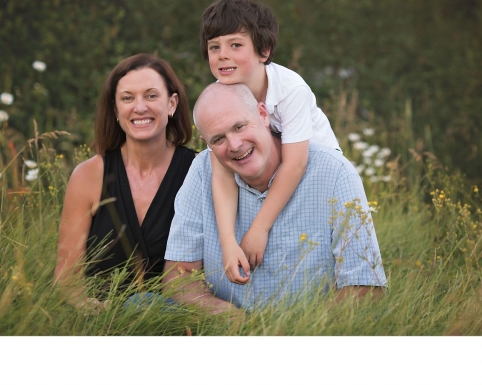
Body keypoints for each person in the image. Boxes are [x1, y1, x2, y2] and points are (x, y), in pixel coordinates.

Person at [162, 83, 386, 313]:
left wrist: (298, 329)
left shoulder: (335, 172)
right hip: (227, 328)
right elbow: (177, 275)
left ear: (262, 114)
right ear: (207, 143)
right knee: (142, 304)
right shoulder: (202, 173)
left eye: (239, 127)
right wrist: (225, 316)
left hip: (311, 327)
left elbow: (366, 288)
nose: (235, 145)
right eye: (218, 139)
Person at [199, 0, 341, 285]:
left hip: (317, 177)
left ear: (263, 51)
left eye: (235, 45)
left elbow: (296, 164)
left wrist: (259, 229)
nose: (222, 55)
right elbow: (222, 175)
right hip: (271, 174)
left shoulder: (291, 89)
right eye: (214, 47)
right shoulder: (220, 94)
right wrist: (228, 243)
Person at [54, 53, 195, 309]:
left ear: (172, 104)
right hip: (101, 320)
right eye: (127, 98)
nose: (139, 107)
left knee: (142, 304)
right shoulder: (88, 176)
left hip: (180, 319)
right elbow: (66, 277)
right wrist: (92, 310)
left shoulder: (198, 171)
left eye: (151, 96)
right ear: (116, 110)